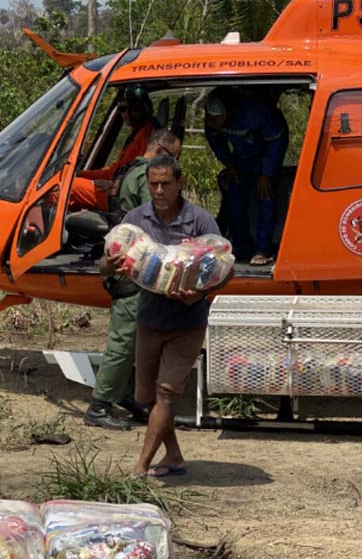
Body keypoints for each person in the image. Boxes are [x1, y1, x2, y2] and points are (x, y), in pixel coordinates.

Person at [106, 155, 229, 477]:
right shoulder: (136, 220)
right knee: (148, 399)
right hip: (149, 319)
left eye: (165, 184)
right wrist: (109, 265)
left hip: (187, 322)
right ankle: (173, 456)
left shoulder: (200, 221)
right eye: (153, 184)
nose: (159, 191)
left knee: (166, 393)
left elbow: (224, 268)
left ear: (180, 183)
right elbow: (109, 261)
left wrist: (200, 294)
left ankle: (140, 467)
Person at [86, 129, 183, 430]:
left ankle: (126, 396)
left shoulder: (130, 169)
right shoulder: (144, 176)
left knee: (136, 338)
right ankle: (99, 406)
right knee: (124, 341)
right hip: (135, 269)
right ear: (160, 151)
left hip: (130, 263)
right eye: (173, 158)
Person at [204, 87, 288, 266]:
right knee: (234, 193)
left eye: (220, 116)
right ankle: (242, 246)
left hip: (265, 154)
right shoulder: (212, 121)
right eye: (213, 117)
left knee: (266, 194)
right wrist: (230, 164)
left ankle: (263, 248)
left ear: (232, 110)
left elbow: (277, 140)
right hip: (242, 158)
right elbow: (215, 141)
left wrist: (267, 173)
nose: (216, 121)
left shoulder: (256, 113)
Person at [69, 84, 158, 211]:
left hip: (121, 193)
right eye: (122, 109)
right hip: (116, 186)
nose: (127, 114)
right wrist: (80, 174)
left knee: (61, 189)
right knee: (72, 181)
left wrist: (114, 184)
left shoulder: (147, 135)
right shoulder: (137, 133)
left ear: (146, 107)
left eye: (134, 108)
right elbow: (114, 171)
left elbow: (140, 176)